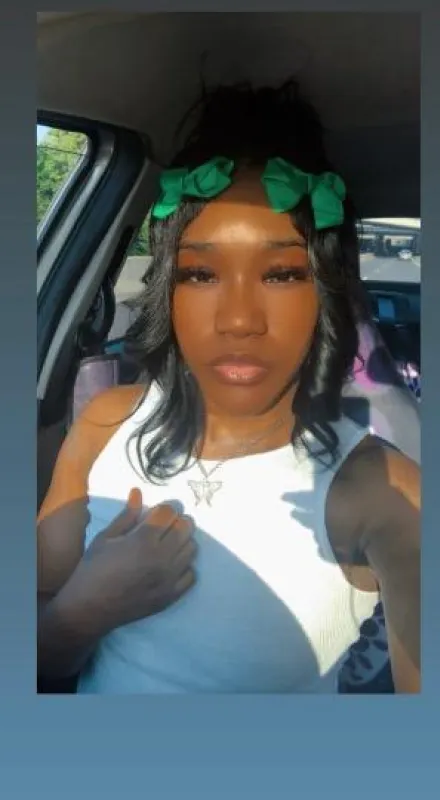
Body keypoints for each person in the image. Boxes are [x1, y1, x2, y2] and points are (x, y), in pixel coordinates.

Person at [37, 80, 420, 694]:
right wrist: (84, 611)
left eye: (282, 273)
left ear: (327, 293)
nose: (239, 320)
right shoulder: (105, 424)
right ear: (168, 289)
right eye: (200, 273)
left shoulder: (385, 493)